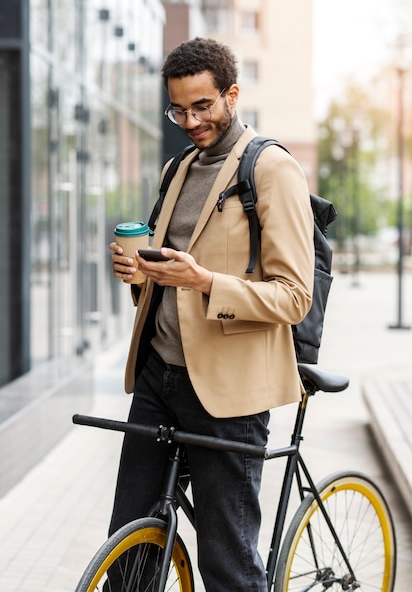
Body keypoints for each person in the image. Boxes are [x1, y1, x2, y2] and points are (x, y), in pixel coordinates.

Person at [108, 37, 314, 591]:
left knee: (226, 565)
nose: (190, 120)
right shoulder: (178, 168)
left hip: (228, 392)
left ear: (232, 94)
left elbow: (294, 296)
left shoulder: (271, 170)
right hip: (159, 376)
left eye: (202, 106)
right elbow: (169, 281)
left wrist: (204, 281)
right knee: (127, 551)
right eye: (178, 109)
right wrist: (142, 275)